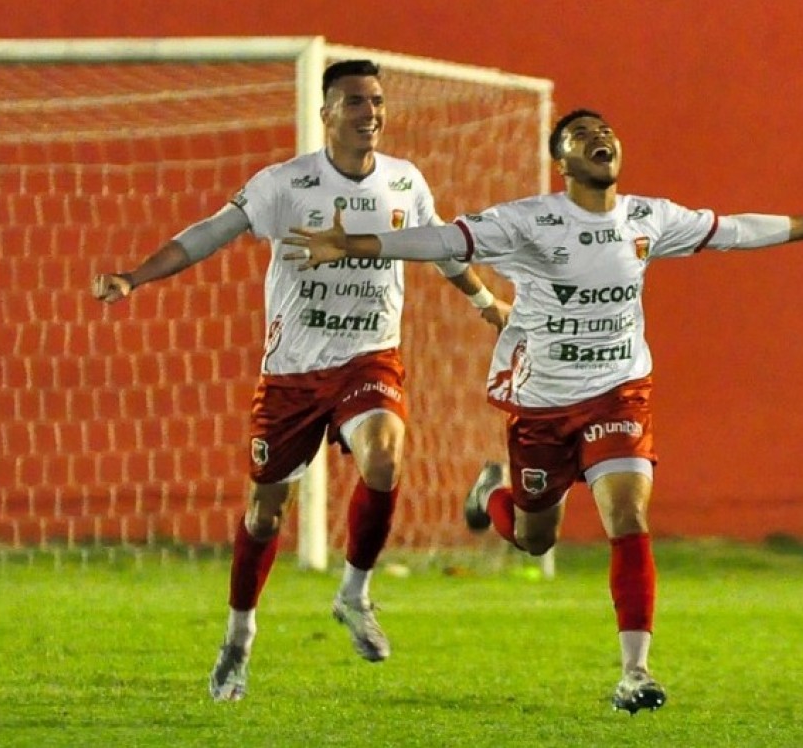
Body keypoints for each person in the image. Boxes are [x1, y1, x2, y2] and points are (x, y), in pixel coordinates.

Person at [282, 108, 803, 713]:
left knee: (627, 513)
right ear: (561, 162)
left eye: (606, 132)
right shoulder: (529, 222)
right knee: (534, 538)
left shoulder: (648, 218)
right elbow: (444, 241)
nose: (600, 138)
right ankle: (493, 493)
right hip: (542, 405)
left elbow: (732, 230)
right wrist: (354, 244)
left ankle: (635, 672)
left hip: (620, 392)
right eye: (582, 135)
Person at [91, 59, 510, 702]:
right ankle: (238, 638)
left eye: (376, 101)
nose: (370, 112)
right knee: (265, 515)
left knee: (385, 454)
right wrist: (134, 277)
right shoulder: (284, 184)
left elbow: (439, 248)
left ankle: (354, 594)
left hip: (369, 357)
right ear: (326, 113)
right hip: (292, 373)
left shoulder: (405, 181)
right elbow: (208, 234)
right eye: (355, 101)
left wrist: (484, 302)